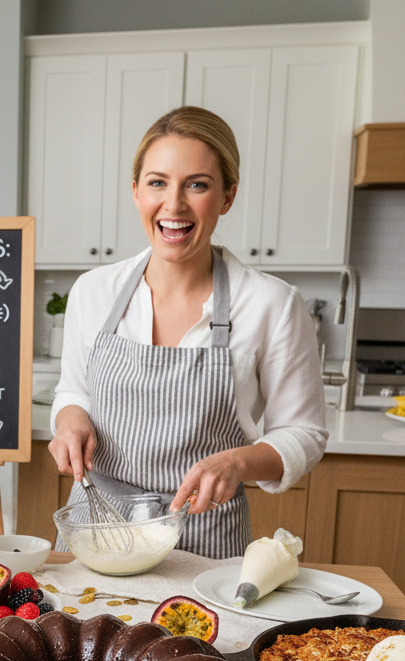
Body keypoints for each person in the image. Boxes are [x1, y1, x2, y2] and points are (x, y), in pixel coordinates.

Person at [49, 106, 327, 559]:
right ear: (136, 191)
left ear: (227, 197)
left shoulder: (271, 304)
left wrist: (238, 461)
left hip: (205, 537)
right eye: (157, 182)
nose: (174, 204)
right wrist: (71, 419)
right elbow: (72, 391)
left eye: (196, 184)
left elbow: (303, 432)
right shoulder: (94, 291)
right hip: (97, 528)